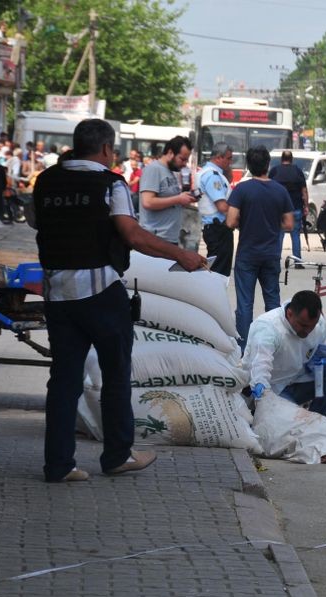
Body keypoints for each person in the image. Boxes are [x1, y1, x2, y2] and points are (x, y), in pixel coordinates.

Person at [33, 118, 207, 483]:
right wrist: (181, 255)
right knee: (115, 375)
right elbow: (132, 235)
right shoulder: (110, 184)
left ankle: (58, 464)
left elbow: (39, 223)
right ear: (107, 150)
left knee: (64, 379)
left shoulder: (46, 181)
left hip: (57, 292)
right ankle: (117, 456)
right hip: (100, 290)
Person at [226, 145, 294, 349]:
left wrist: (246, 221)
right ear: (268, 165)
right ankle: (273, 344)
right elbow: (289, 224)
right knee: (272, 303)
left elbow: (230, 222)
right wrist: (273, 223)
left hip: (247, 254)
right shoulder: (280, 190)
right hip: (271, 254)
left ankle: (245, 349)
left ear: (248, 165)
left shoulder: (242, 190)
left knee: (245, 305)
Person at [242, 290, 326, 416]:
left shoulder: (318, 323)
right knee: (291, 420)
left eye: (312, 326)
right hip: (276, 388)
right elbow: (260, 366)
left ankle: (316, 420)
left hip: (300, 379)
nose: (308, 331)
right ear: (290, 314)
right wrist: (261, 389)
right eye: (303, 325)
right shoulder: (268, 329)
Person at [139, 135, 196, 244]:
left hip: (169, 238)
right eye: (182, 159)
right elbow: (148, 202)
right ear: (170, 153)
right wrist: (178, 199)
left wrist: (185, 199)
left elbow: (170, 200)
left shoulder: (170, 172)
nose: (184, 164)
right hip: (156, 238)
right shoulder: (154, 169)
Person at [197, 142, 235, 277]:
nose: (231, 162)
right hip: (218, 229)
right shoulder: (212, 176)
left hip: (214, 228)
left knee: (217, 270)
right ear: (218, 157)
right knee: (219, 273)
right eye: (229, 158)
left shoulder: (210, 172)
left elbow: (228, 180)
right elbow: (223, 207)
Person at [268, 151, 309, 266]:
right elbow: (304, 191)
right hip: (295, 208)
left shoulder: (275, 171)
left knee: (279, 234)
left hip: (278, 209)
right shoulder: (297, 171)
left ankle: (276, 260)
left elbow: (268, 188)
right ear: (292, 159)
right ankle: (297, 261)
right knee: (295, 234)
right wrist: (306, 206)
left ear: (282, 159)